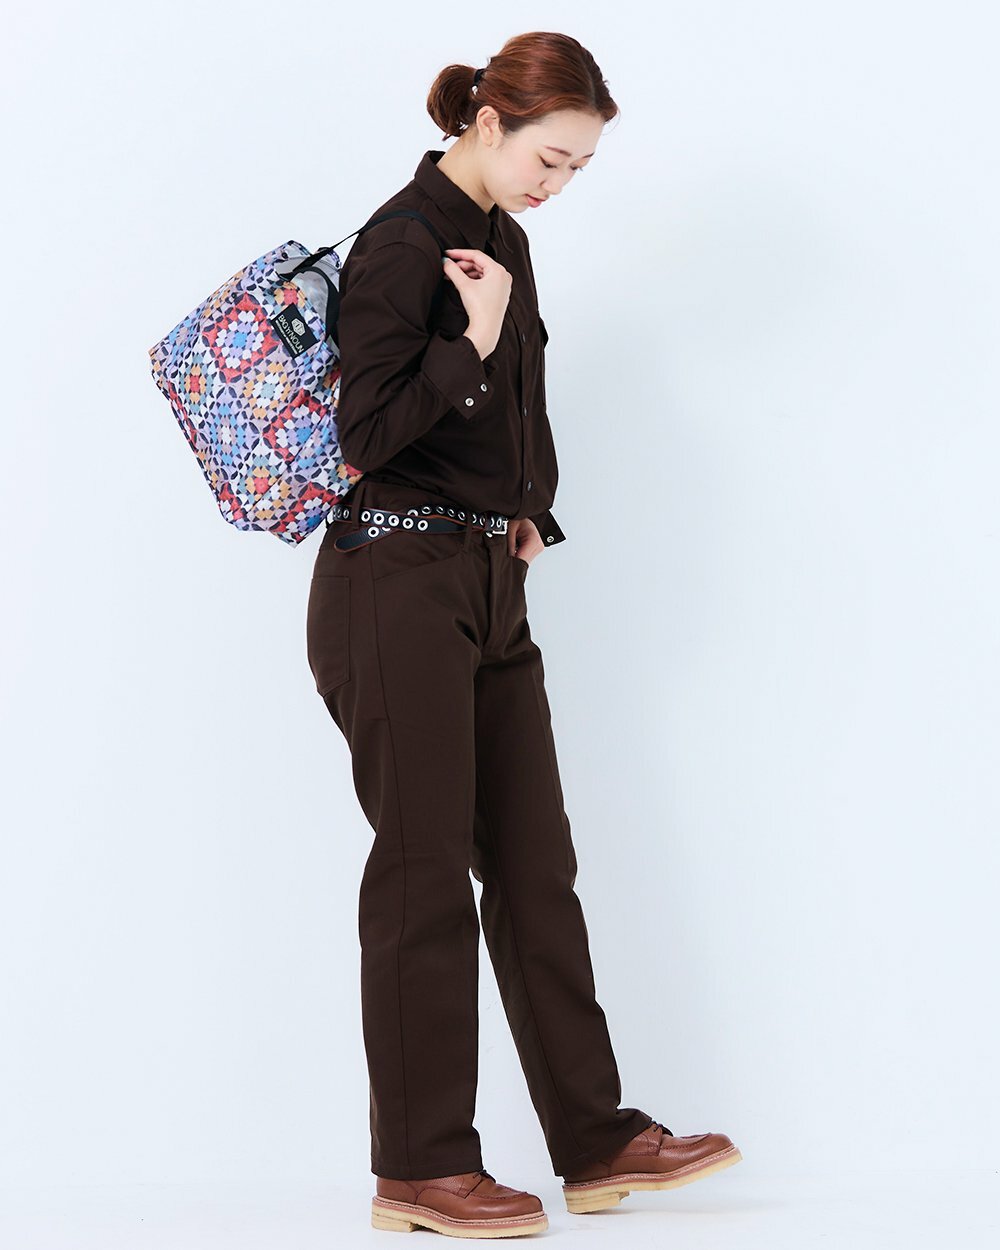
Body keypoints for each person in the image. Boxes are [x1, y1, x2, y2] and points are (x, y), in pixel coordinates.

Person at [306, 31, 742, 1239]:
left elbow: (518, 406)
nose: (559, 184)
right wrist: (474, 340)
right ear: (489, 121)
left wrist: (528, 509)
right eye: (550, 158)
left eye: (579, 168)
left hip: (484, 576)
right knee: (421, 871)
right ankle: (420, 1166)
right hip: (390, 578)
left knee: (535, 863)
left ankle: (595, 1137)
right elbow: (367, 433)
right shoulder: (402, 242)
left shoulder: (505, 237)